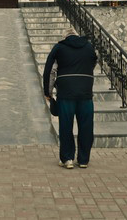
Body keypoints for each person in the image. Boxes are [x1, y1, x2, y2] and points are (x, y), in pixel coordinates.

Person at [43, 26, 98, 169]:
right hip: (85, 92)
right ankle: (84, 160)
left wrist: (48, 92)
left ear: (65, 37)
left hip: (66, 93)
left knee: (66, 126)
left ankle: (67, 159)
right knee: (86, 126)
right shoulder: (88, 47)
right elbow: (93, 63)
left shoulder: (59, 48)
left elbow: (50, 70)